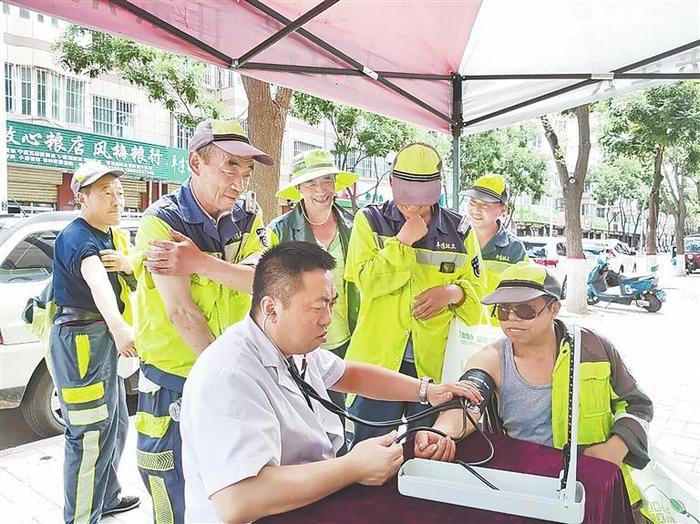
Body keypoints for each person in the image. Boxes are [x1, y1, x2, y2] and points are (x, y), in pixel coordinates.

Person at [180, 241, 482, 523]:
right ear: (271, 308)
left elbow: (349, 374)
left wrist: (427, 390)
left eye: (332, 303)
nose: (328, 318)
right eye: (317, 307)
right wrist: (354, 466)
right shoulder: (229, 375)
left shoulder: (290, 346)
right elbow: (238, 499)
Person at [415, 263, 653, 520]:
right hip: (525, 491)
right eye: (502, 311)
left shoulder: (593, 347)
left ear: (554, 309)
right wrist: (440, 433)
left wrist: (614, 448)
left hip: (597, 485)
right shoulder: (491, 358)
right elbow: (467, 400)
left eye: (525, 309)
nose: (512, 319)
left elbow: (637, 405)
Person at [132, 119, 272, 523]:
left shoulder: (247, 215)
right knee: (172, 490)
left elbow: (262, 281)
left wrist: (198, 263)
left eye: (246, 172)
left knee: (231, 487)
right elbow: (181, 312)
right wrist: (226, 378)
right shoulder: (162, 221)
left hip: (229, 372)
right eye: (229, 167)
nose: (240, 182)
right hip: (176, 381)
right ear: (196, 162)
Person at [343, 142, 487, 444]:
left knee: (428, 448)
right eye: (405, 195)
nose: (411, 206)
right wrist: (401, 243)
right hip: (378, 364)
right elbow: (367, 282)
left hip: (434, 368)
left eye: (421, 199)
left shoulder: (460, 232)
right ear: (392, 182)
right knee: (369, 452)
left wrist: (452, 293)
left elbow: (478, 303)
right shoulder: (369, 221)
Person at [49, 160, 140, 523]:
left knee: (115, 423)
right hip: (82, 342)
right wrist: (120, 329)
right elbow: (97, 282)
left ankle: (107, 495)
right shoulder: (78, 237)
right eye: (106, 193)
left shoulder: (107, 234)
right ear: (82, 198)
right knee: (89, 434)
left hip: (98, 343)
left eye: (119, 193)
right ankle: (83, 516)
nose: (117, 199)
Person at [269, 148, 360, 409]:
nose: (320, 190)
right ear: (299, 189)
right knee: (302, 420)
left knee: (342, 419)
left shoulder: (354, 227)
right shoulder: (279, 231)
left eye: (326, 180)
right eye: (310, 183)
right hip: (298, 344)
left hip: (346, 340)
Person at [464, 173, 527, 301]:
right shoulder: (454, 239)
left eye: (485, 204)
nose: (476, 209)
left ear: (503, 208)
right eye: (473, 202)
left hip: (495, 321)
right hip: (460, 321)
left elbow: (522, 295)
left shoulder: (515, 250)